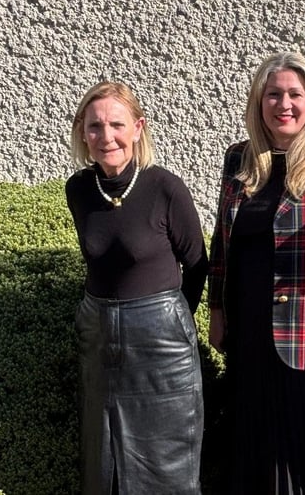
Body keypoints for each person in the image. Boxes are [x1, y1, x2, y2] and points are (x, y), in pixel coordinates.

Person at [207, 52, 305, 494]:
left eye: (295, 94)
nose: (284, 104)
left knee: (302, 449)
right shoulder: (240, 159)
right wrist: (217, 311)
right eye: (273, 94)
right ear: (259, 102)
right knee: (252, 442)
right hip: (248, 333)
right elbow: (223, 244)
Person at [65, 81, 208, 494]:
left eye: (116, 124)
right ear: (83, 133)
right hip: (99, 342)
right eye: (94, 127)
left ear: (137, 128)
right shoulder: (78, 190)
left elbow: (197, 265)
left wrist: (172, 320)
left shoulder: (164, 187)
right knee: (103, 467)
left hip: (161, 350)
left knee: (168, 469)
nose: (105, 136)